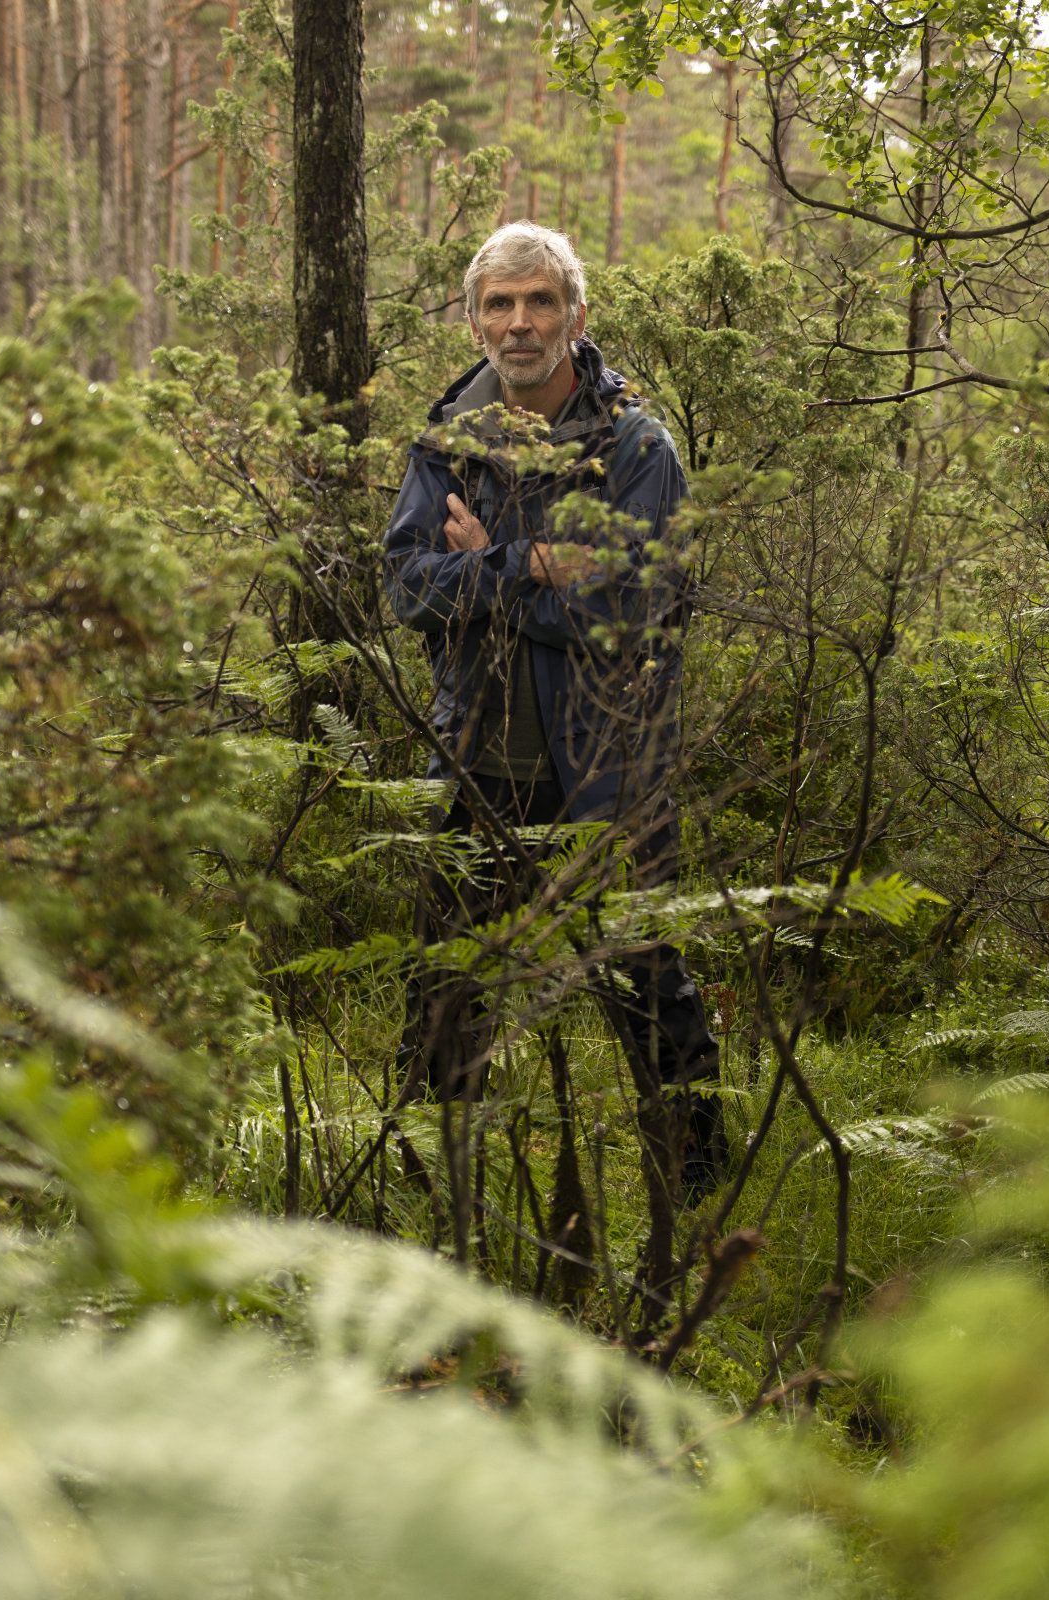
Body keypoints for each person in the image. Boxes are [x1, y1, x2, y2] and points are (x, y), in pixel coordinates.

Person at [381, 221, 726, 1200]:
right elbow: (407, 585)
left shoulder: (633, 447)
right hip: (477, 756)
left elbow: (624, 607)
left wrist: (480, 570)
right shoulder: (446, 441)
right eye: (499, 303)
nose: (518, 322)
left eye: (538, 301)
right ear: (475, 319)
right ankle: (427, 1190)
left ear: (575, 316)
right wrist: (521, 559)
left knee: (643, 978)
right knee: (444, 986)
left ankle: (696, 1187)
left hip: (603, 761)